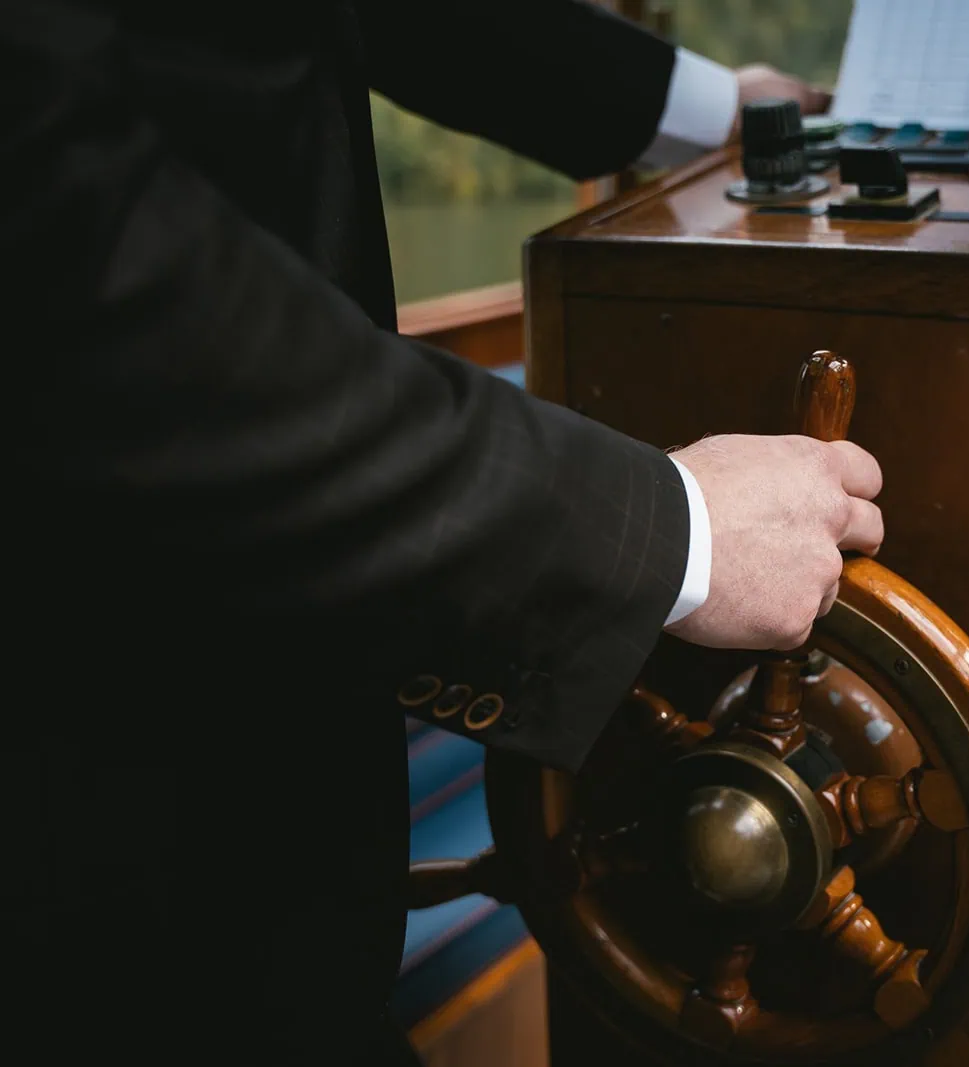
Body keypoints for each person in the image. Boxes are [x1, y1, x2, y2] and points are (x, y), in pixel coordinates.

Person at [1, 3, 882, 1064]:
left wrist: (705, 110)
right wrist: (672, 534)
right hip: (91, 725)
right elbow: (71, 272)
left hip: (280, 738)